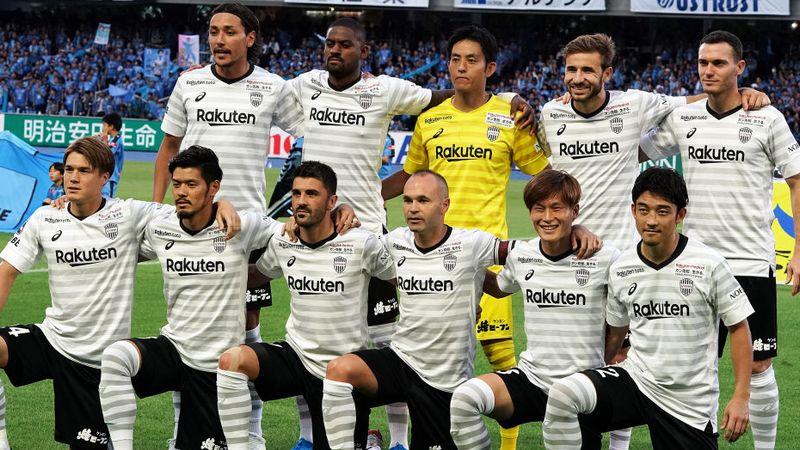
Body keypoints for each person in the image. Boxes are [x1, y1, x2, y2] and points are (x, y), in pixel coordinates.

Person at [539, 35, 767, 447]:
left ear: (608, 73)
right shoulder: (550, 113)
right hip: (574, 256)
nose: (578, 77)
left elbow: (694, 99)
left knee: (624, 354)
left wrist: (743, 91)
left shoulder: (635, 104)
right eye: (571, 69)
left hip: (624, 258)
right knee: (582, 364)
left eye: (588, 69)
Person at [380, 26, 599, 450]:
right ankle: (414, 439)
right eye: (455, 59)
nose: (461, 67)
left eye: (472, 60)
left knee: (500, 353)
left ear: (491, 67)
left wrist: (573, 220)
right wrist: (361, 197)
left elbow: (545, 175)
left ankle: (508, 445)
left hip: (488, 255)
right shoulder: (429, 120)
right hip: (433, 254)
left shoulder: (510, 116)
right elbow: (409, 176)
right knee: (423, 352)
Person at [0, 136, 234, 449]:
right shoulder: (45, 217)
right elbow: (7, 270)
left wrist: (222, 203)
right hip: (53, 338)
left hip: (97, 360)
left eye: (84, 171)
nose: (72, 177)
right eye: (69, 169)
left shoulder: (129, 215)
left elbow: (190, 211)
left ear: (104, 177)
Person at [152, 4, 304, 447]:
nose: (219, 40)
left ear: (250, 38)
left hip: (247, 230)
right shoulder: (190, 83)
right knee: (188, 328)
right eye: (213, 31)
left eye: (229, 32)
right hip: (193, 226)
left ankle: (250, 433)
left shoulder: (272, 87)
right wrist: (158, 209)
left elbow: (311, 136)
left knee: (247, 327)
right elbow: (169, 148)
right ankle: (182, 431)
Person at [641, 30, 800, 450]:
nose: (708, 70)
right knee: (697, 366)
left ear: (739, 67)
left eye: (719, 63)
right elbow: (635, 150)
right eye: (703, 63)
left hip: (750, 261)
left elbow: (797, 181)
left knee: (760, 365)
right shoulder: (684, 119)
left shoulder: (767, 118)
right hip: (694, 263)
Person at [542, 167, 754, 450]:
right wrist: (590, 369)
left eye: (662, 211)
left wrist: (741, 396)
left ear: (680, 215)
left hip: (687, 402)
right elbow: (616, 333)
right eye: (644, 210)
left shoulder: (709, 264)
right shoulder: (622, 268)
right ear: (633, 211)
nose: (651, 220)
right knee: (565, 394)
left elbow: (739, 328)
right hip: (636, 381)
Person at [98, 146, 284, 450]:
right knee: (117, 356)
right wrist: (64, 205)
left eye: (191, 184)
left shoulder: (242, 226)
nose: (181, 192)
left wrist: (342, 213)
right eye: (177, 184)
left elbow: (295, 232)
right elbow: (101, 216)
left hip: (218, 362)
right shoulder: (160, 226)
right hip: (174, 348)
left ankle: (248, 436)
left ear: (213, 187)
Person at [322, 170, 516, 450]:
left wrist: (573, 234)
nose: (413, 208)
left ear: (445, 205)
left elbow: (525, 253)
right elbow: (343, 243)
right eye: (408, 200)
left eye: (423, 200)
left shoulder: (471, 244)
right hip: (402, 360)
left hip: (444, 381)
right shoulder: (395, 242)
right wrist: (342, 210)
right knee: (340, 370)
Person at [215, 161, 395, 450]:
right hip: (296, 358)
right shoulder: (284, 242)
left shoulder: (361, 243)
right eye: (297, 193)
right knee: (233, 361)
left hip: (344, 369)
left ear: (332, 202)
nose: (301, 200)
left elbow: (402, 279)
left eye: (311, 194)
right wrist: (212, 269)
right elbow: (256, 276)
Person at [449, 169, 619, 449]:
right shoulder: (522, 255)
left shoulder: (605, 257)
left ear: (574, 211)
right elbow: (499, 287)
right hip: (531, 378)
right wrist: (465, 265)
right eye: (539, 208)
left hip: (581, 387)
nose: (547, 217)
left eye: (557, 208)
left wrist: (603, 360)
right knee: (466, 399)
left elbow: (623, 318)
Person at [100, 113, 124, 198]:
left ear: (111, 126)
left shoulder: (117, 139)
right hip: (106, 175)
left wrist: (104, 140)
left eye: (104, 125)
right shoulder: (112, 140)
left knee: (108, 200)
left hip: (111, 176)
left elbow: (107, 153)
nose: (103, 128)